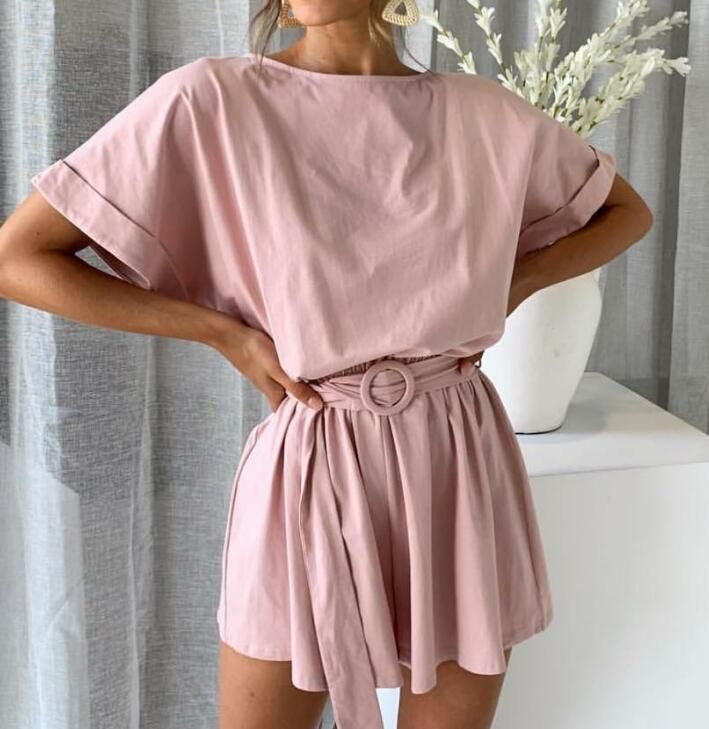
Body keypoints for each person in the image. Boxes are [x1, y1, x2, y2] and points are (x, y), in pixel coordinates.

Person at [0, 0, 653, 727]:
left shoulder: (485, 114)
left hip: (457, 460)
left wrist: (518, 278)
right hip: (310, 458)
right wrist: (221, 333)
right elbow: (18, 257)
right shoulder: (212, 100)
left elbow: (626, 213)